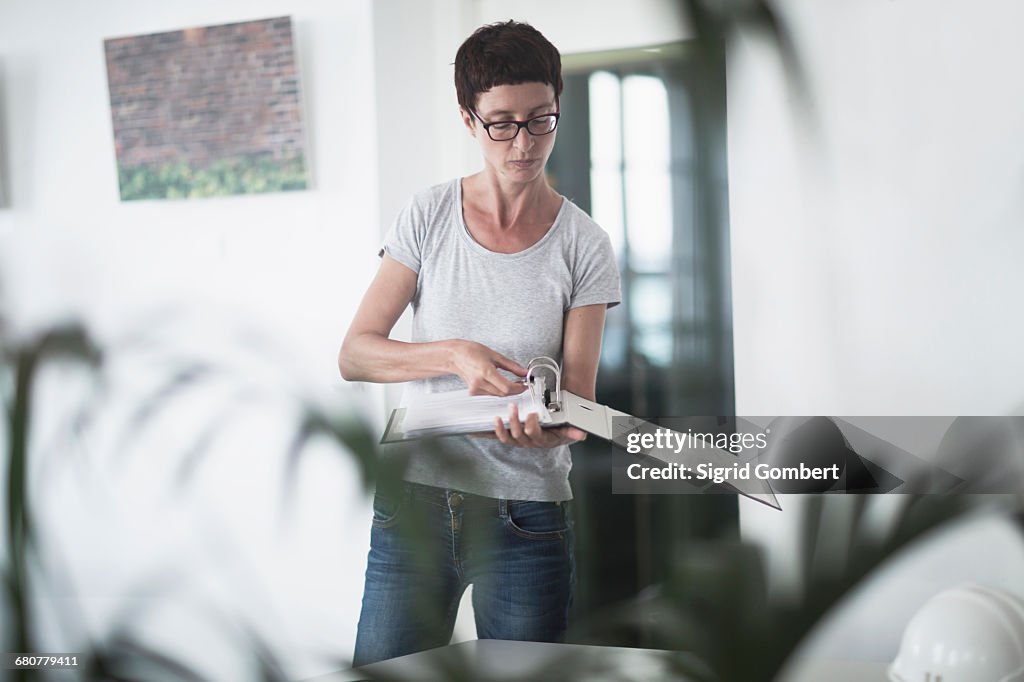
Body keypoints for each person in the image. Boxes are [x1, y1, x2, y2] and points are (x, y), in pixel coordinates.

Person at [338, 19, 621, 666]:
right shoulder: (427, 216)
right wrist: (451, 353)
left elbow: (579, 400)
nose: (523, 143)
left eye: (539, 118)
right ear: (468, 120)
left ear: (557, 106)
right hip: (415, 505)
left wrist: (555, 427)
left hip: (528, 518)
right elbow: (355, 353)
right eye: (501, 123)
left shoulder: (585, 245)